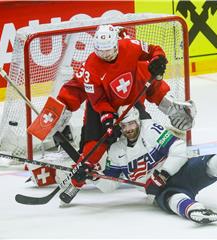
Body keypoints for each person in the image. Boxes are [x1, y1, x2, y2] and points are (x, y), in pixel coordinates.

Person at [81, 105, 217, 224]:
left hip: (181, 171)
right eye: (124, 125)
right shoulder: (117, 151)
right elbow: (110, 185)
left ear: (138, 121)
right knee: (174, 198)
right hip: (159, 191)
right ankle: (196, 212)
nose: (128, 128)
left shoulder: (152, 130)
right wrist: (94, 177)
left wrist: (163, 174)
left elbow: (179, 150)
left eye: (131, 123)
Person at [55, 24, 196, 194]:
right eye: (102, 51)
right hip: (99, 109)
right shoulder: (90, 67)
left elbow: (154, 82)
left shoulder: (131, 51)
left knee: (147, 135)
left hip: (131, 106)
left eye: (111, 48)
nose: (106, 55)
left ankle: (162, 164)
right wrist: (61, 109)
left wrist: (171, 106)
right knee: (93, 153)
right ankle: (73, 173)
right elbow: (82, 92)